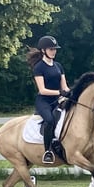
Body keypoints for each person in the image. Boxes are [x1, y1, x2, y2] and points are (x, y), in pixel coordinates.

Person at [26, 35, 71, 163]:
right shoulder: (39, 67)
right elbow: (42, 90)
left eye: (55, 49)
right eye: (51, 49)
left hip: (58, 101)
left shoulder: (58, 66)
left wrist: (70, 93)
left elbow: (65, 87)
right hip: (44, 102)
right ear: (43, 50)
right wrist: (60, 92)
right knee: (50, 120)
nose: (54, 51)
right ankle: (48, 151)